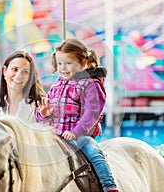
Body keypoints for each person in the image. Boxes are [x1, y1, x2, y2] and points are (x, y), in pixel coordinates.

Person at [36, 38, 119, 192]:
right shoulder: (57, 85)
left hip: (80, 135)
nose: (63, 68)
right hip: (56, 135)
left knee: (93, 151)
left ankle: (109, 186)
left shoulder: (90, 84)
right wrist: (44, 115)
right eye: (60, 63)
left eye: (68, 63)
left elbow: (92, 113)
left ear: (82, 64)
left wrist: (76, 133)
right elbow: (51, 114)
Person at [0, 50, 46, 123]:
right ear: (4, 71)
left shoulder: (39, 107)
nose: (19, 76)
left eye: (25, 72)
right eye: (15, 69)